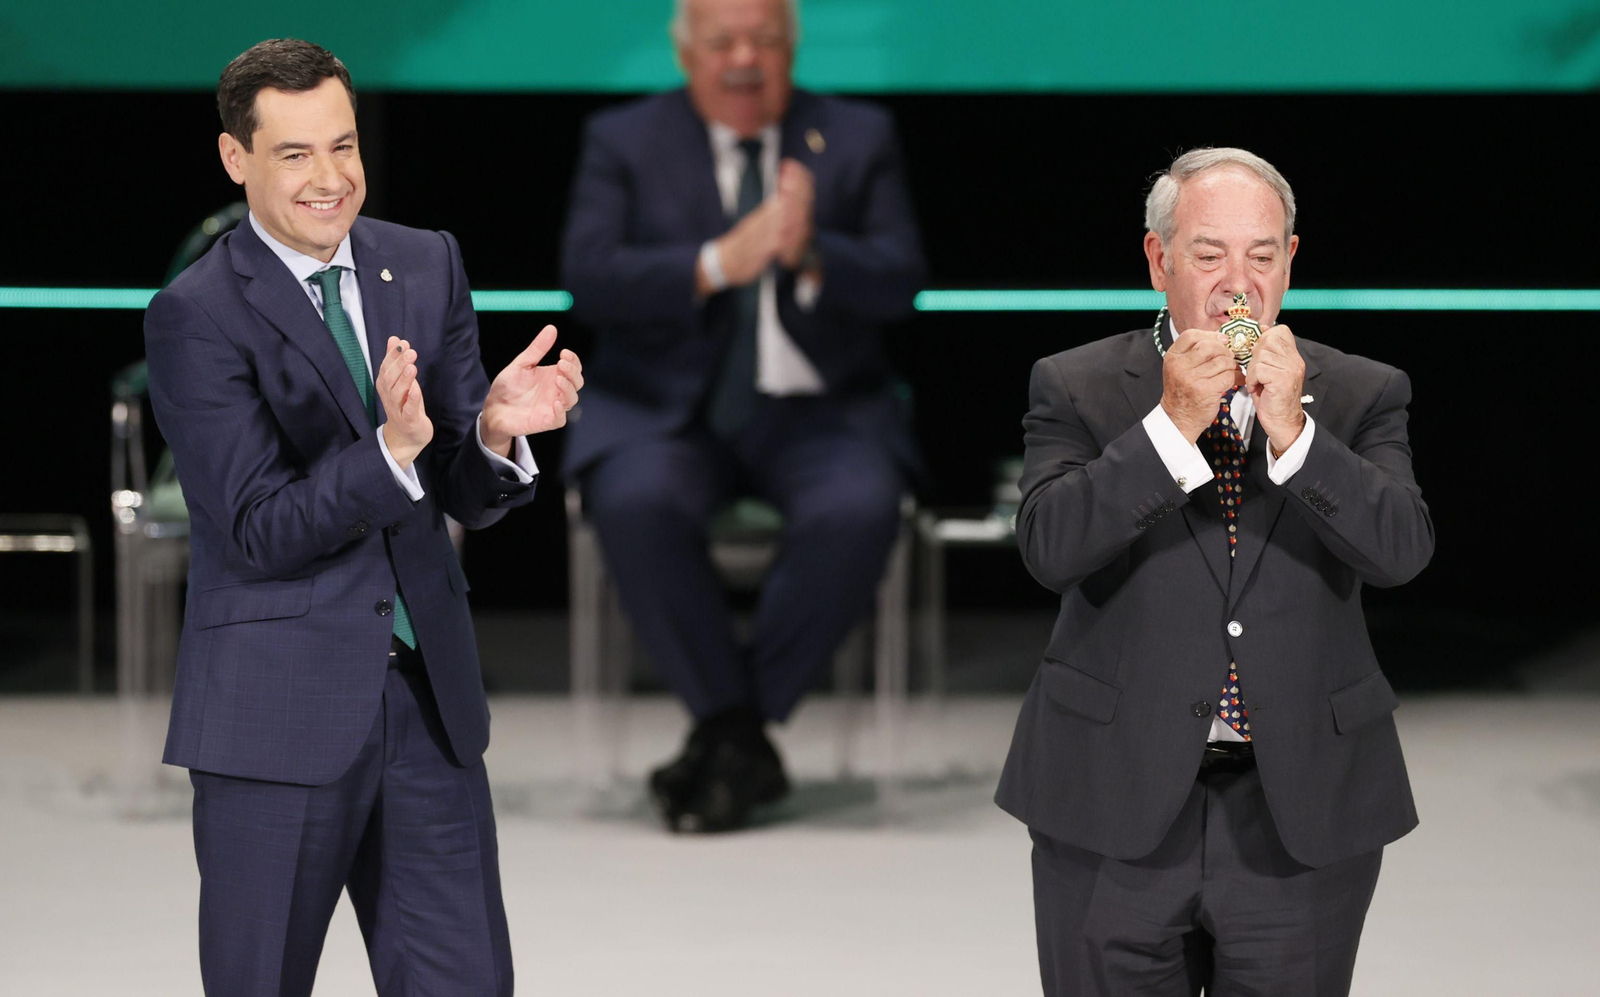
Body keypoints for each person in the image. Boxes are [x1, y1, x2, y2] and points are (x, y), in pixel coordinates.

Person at [144, 38, 583, 996]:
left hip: (427, 708)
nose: (330, 178)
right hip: (274, 712)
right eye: (295, 153)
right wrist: (390, 453)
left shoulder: (426, 263)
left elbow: (462, 486)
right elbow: (257, 525)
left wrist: (498, 436)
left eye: (342, 146)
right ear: (237, 159)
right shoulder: (196, 313)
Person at [995, 147, 1433, 996]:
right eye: (1210, 255)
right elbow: (1050, 547)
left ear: (1291, 261)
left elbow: (1402, 550)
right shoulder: (1077, 384)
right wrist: (1169, 428)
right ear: (1160, 260)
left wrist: (1298, 441)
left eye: (1262, 255)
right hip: (1110, 800)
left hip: (1296, 812)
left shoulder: (1359, 391)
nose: (1240, 283)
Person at [560, 0, 926, 832]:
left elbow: (901, 279)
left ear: (791, 51)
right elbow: (592, 275)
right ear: (686, 54)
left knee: (859, 508)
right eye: (722, 41)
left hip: (820, 411)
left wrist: (809, 252)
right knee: (636, 499)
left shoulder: (856, 136)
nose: (744, 60)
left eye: (764, 40)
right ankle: (739, 734)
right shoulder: (624, 140)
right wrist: (717, 262)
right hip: (666, 409)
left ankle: (731, 734)